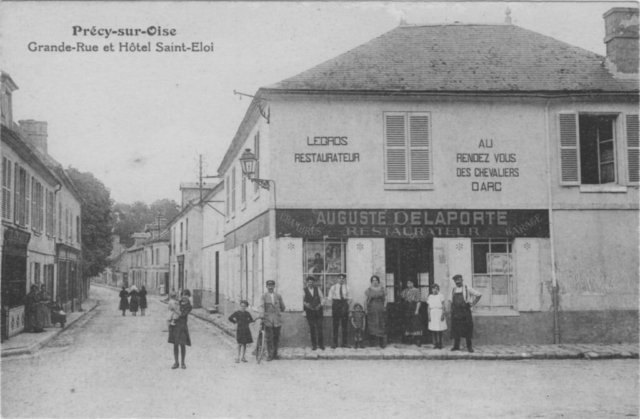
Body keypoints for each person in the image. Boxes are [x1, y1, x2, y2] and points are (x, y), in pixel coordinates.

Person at [449, 274, 482, 353]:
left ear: (462, 280)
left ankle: (469, 347)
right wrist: (451, 311)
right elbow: (450, 301)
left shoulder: (467, 288)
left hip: (465, 311)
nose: (458, 282)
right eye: (456, 281)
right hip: (456, 312)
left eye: (459, 280)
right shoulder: (453, 290)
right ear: (454, 282)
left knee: (467, 328)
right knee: (456, 329)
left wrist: (473, 303)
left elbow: (479, 294)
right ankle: (456, 346)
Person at [259, 280, 286, 361]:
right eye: (269, 285)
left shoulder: (278, 296)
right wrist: (262, 314)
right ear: (266, 287)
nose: (270, 287)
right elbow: (261, 306)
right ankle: (270, 355)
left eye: (272, 285)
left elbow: (283, 307)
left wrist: (278, 312)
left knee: (276, 337)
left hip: (277, 320)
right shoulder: (263, 296)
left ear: (274, 286)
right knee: (269, 338)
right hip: (268, 320)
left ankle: (275, 354)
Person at [169, 289, 192, 369]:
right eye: (183, 295)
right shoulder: (177, 302)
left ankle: (183, 363)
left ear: (189, 296)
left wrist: (175, 310)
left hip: (182, 326)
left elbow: (183, 315)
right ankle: (176, 362)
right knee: (175, 344)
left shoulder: (189, 306)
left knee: (182, 344)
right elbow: (170, 309)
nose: (184, 297)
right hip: (175, 325)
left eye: (186, 295)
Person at [327, 273, 351, 348]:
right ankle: (335, 343)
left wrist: (346, 304)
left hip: (344, 304)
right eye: (340, 278)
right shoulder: (333, 287)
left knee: (344, 326)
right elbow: (329, 298)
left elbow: (350, 298)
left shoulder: (347, 288)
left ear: (344, 279)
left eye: (343, 278)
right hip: (336, 305)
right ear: (337, 279)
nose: (341, 279)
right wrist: (334, 305)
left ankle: (344, 343)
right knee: (335, 325)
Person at [302, 276, 325, 351]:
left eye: (312, 282)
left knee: (319, 327)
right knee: (312, 328)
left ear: (314, 283)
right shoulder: (304, 290)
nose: (311, 283)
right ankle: (314, 345)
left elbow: (322, 298)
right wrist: (306, 305)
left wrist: (320, 305)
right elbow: (302, 300)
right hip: (310, 311)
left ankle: (321, 345)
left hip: (318, 311)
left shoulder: (317, 289)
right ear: (307, 282)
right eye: (309, 282)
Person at [365, 275, 387, 348]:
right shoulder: (368, 290)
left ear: (378, 281)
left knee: (381, 324)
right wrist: (365, 309)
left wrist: (384, 306)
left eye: (376, 280)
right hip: (372, 308)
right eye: (373, 281)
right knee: (372, 324)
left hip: (380, 308)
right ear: (371, 282)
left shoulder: (382, 289)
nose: (375, 282)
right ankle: (372, 342)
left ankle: (381, 343)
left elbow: (385, 299)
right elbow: (366, 300)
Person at [400, 280, 422, 347]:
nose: (409, 284)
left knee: (415, 324)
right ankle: (409, 340)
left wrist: (417, 310)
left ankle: (417, 340)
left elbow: (418, 301)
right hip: (407, 308)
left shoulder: (416, 290)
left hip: (414, 307)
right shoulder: (405, 290)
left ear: (413, 283)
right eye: (408, 283)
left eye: (410, 283)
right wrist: (400, 287)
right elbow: (401, 296)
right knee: (408, 323)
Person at [427, 284, 447, 349]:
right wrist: (429, 315)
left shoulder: (440, 296)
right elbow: (428, 307)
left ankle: (440, 343)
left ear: (438, 289)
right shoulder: (430, 296)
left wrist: (443, 314)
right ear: (431, 289)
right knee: (434, 329)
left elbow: (444, 306)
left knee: (440, 328)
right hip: (432, 313)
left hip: (439, 312)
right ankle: (436, 343)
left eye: (436, 288)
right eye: (433, 288)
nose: (435, 290)